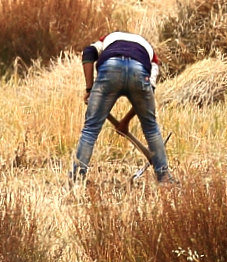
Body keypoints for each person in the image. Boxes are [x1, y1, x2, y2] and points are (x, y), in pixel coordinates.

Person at [70, 30, 171, 184]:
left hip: (111, 68)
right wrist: (126, 120)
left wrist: (90, 89)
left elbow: (88, 52)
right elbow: (148, 92)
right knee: (151, 128)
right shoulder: (151, 55)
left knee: (90, 129)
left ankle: (77, 180)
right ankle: (164, 178)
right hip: (139, 71)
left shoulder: (108, 39)